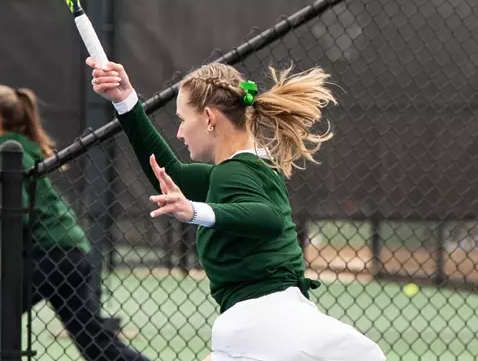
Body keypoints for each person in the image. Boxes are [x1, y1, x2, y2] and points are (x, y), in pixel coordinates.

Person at [88, 59, 386, 361]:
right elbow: (169, 175)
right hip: (262, 325)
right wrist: (126, 100)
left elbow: (267, 218)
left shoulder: (237, 172)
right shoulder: (238, 172)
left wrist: (195, 211)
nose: (179, 133)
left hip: (265, 326)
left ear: (208, 118)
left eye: (182, 119)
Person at [0, 84, 151, 361]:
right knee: (93, 340)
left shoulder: (6, 152)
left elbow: (18, 215)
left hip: (47, 256)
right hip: (70, 253)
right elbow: (18, 216)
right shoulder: (16, 149)